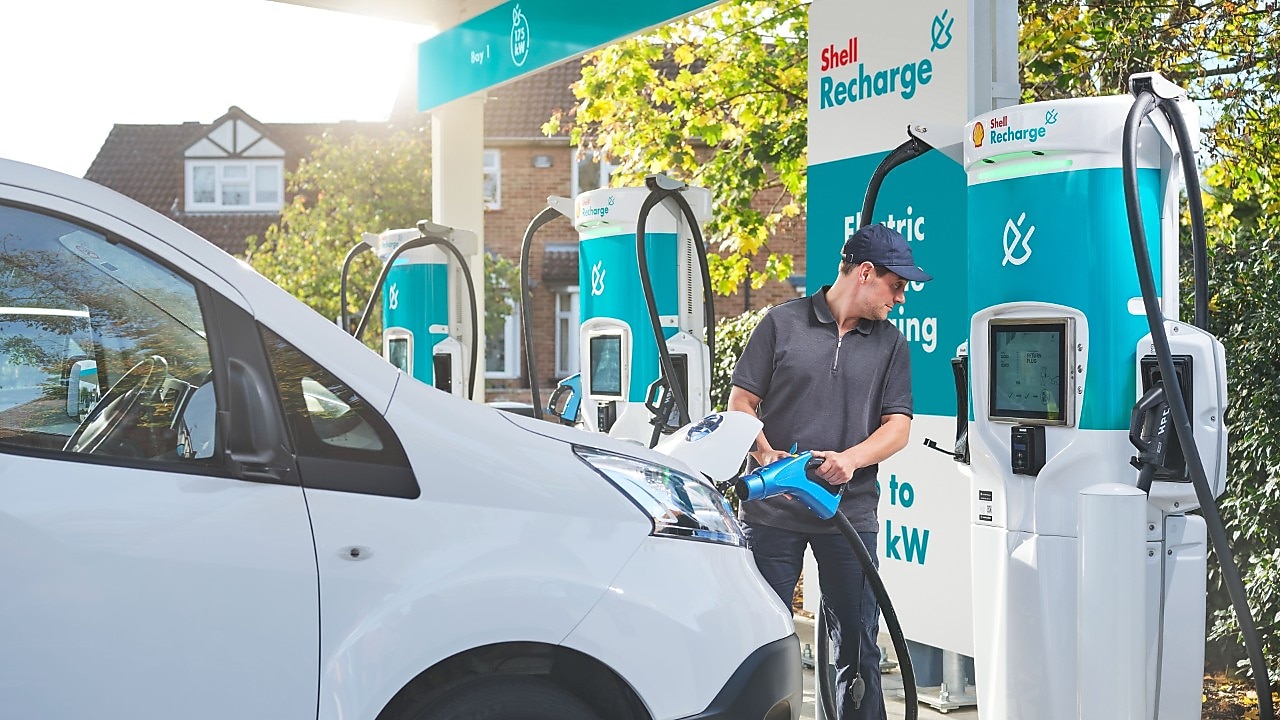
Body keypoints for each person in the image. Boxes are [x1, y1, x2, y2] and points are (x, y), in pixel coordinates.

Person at [728, 223, 931, 720]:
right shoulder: (781, 324)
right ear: (866, 273)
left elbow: (898, 426)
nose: (900, 298)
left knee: (858, 646)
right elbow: (741, 402)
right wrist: (765, 454)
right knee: (760, 638)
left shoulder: (891, 345)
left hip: (849, 513)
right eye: (895, 285)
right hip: (773, 510)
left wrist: (850, 460)